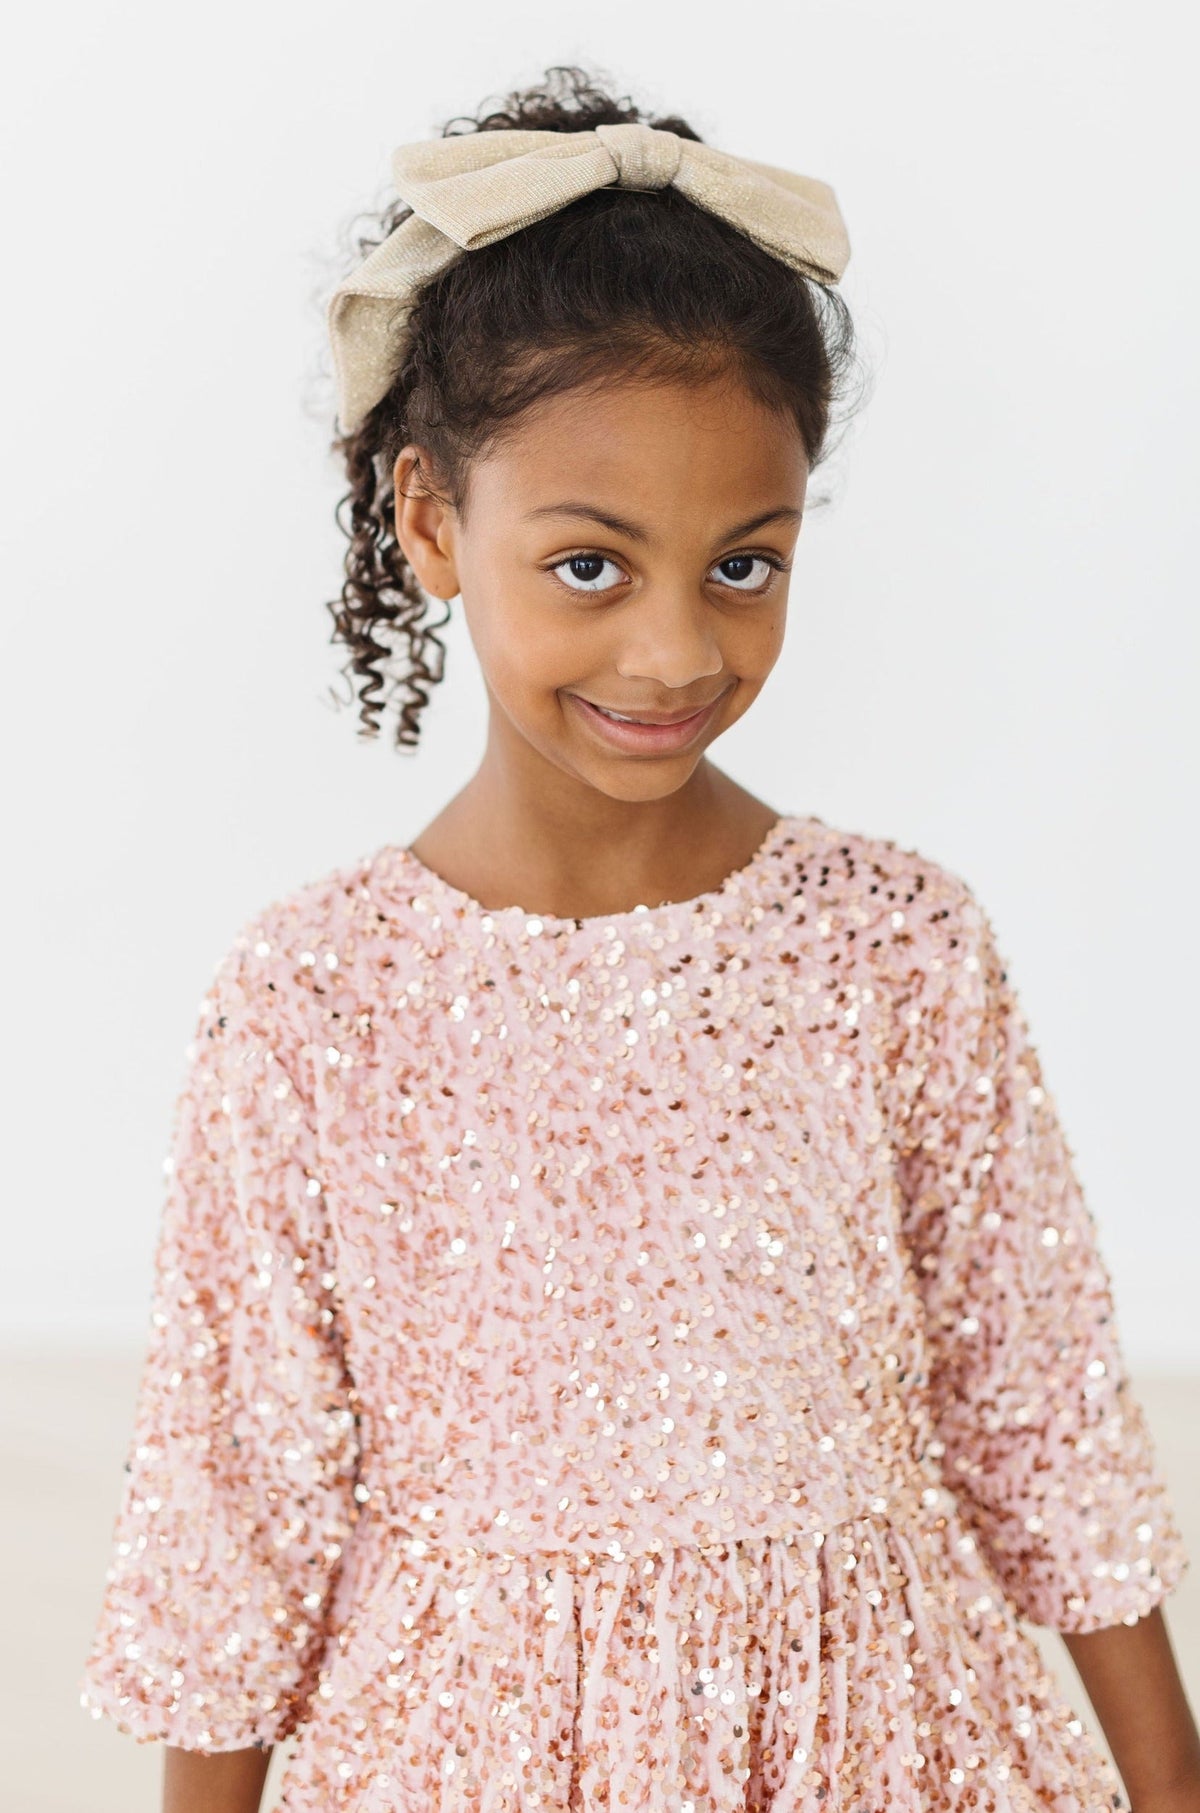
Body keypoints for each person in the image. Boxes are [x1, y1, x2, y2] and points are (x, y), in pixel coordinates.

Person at [78, 62, 1199, 1813]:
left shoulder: (895, 947)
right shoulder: (311, 1000)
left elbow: (1037, 1406)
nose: (676, 651)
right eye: (592, 565)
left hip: (872, 1743)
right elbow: (237, 1517)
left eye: (743, 565)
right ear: (434, 522)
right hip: (470, 1761)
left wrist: (1169, 1780)